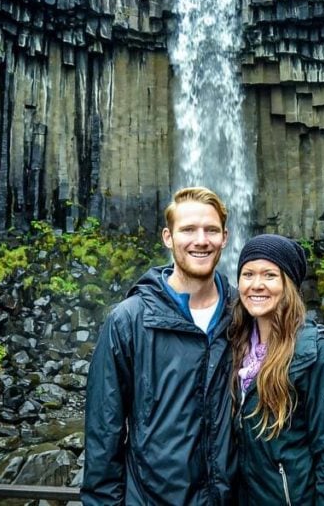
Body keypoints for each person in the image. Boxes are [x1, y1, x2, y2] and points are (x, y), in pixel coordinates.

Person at [82, 186, 237, 505]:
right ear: (168, 237)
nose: (201, 240)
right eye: (188, 230)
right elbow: (103, 434)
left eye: (211, 230)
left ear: (225, 237)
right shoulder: (128, 321)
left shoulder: (243, 314)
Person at [231, 234, 324, 505]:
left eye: (269, 275)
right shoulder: (234, 347)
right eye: (248, 274)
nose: (256, 285)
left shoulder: (317, 356)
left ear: (288, 283)